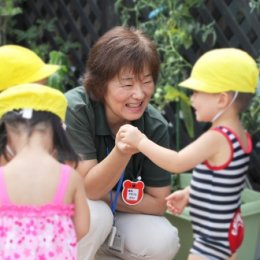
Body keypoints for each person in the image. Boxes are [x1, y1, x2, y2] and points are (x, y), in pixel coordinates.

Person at [116, 48, 259, 260]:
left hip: (211, 236)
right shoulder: (241, 136)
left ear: (222, 99)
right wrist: (190, 193)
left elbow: (177, 162)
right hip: (229, 229)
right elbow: (223, 181)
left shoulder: (217, 137)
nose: (192, 100)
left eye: (197, 92)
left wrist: (141, 141)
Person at [65, 26, 180, 260]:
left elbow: (159, 203)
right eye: (127, 84)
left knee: (163, 241)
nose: (139, 94)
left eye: (146, 82)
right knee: (96, 215)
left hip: (119, 213)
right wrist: (122, 151)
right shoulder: (76, 108)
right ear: (100, 85)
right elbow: (89, 190)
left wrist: (108, 197)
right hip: (68, 211)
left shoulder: (154, 124)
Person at [0, 83, 90, 259]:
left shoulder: (2, 176)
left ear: (8, 132)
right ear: (56, 131)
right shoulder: (69, 176)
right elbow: (82, 227)